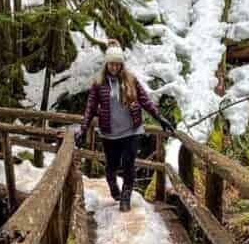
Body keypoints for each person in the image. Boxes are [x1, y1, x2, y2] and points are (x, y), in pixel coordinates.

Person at [75, 40, 176, 212]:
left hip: (131, 131)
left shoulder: (131, 80)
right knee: (111, 167)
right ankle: (114, 187)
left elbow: (145, 101)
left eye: (118, 64)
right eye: (111, 64)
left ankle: (125, 197)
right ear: (107, 64)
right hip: (110, 134)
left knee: (129, 164)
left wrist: (160, 118)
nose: (114, 67)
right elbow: (90, 109)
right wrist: (83, 129)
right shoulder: (99, 83)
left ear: (121, 65)